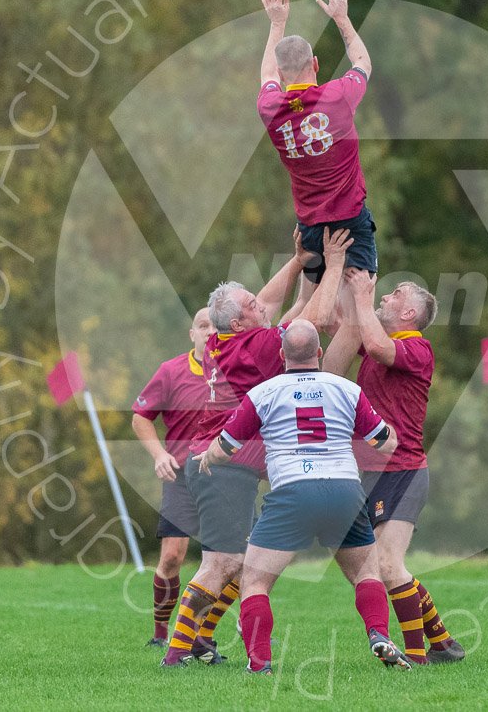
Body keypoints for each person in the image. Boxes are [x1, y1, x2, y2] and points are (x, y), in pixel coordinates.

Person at [160, 229, 350, 667]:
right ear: (241, 323)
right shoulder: (256, 345)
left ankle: (199, 640)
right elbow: (311, 325)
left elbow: (277, 306)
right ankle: (176, 653)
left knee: (244, 564)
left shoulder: (224, 338)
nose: (260, 305)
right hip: (221, 467)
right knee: (222, 563)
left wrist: (300, 261)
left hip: (223, 466)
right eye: (250, 306)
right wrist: (335, 264)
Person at [196, 320, 410, 673]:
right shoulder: (346, 389)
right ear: (320, 352)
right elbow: (383, 442)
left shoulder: (264, 392)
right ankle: (378, 634)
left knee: (256, 581)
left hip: (293, 492)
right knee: (366, 573)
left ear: (281, 355)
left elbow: (226, 445)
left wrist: (208, 456)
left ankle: (259, 663)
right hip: (344, 489)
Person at [324, 268, 462, 665]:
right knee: (380, 567)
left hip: (403, 470)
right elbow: (342, 326)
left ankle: (416, 659)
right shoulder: (380, 337)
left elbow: (379, 347)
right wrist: (331, 270)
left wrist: (365, 300)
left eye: (396, 294)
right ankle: (441, 641)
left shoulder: (417, 347)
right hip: (368, 471)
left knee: (386, 564)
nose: (386, 295)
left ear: (410, 314)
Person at [256, 0, 377, 285]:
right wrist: (341, 18)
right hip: (351, 223)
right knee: (357, 308)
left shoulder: (269, 106)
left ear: (283, 74)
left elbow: (267, 73)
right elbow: (362, 62)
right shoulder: (338, 95)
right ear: (316, 64)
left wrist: (277, 23)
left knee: (312, 313)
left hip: (310, 227)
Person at [132, 308, 218, 647]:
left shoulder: (235, 372)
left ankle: (199, 634)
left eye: (216, 326)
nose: (210, 332)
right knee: (172, 556)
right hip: (181, 476)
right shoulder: (171, 372)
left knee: (226, 560)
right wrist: (159, 455)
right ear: (192, 333)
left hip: (222, 476)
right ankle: (160, 632)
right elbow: (141, 417)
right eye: (203, 325)